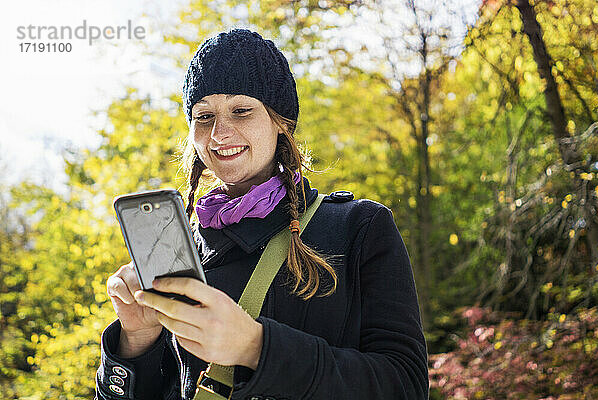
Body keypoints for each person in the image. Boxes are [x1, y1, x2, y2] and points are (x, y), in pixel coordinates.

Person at [95, 28, 429, 400]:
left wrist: (256, 347)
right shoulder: (181, 251)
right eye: (204, 116)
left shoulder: (359, 227)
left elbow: (405, 385)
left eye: (241, 110)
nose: (220, 133)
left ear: (279, 121)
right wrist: (136, 344)